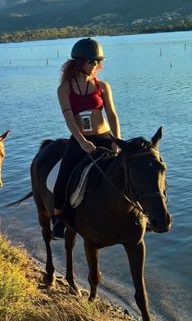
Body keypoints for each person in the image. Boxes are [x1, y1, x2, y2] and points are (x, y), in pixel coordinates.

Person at [51, 38, 121, 239]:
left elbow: (113, 115)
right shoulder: (64, 89)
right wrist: (82, 141)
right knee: (63, 176)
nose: (95, 66)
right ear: (79, 61)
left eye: (97, 62)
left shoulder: (103, 86)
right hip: (80, 139)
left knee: (127, 169)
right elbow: (69, 118)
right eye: (91, 61)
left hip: (104, 136)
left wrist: (117, 140)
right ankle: (58, 220)